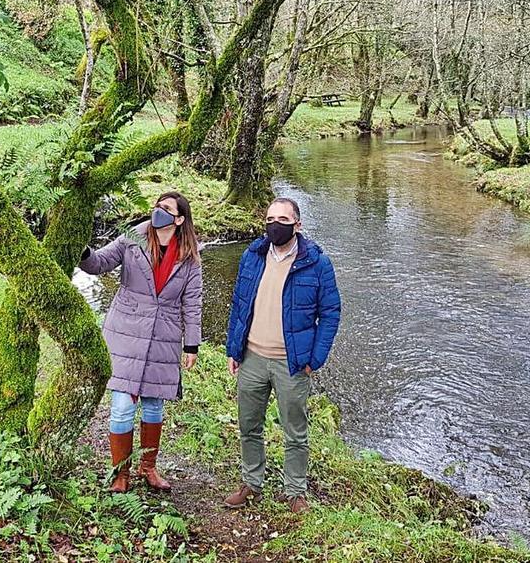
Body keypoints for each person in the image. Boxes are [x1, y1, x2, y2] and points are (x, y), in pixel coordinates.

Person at [223, 197, 341, 514]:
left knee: (295, 432)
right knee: (249, 425)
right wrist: (233, 348)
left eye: (283, 219)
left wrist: (314, 358)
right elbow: (239, 305)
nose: (275, 224)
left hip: (291, 364)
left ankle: (295, 491)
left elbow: (330, 313)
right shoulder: (253, 256)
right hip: (251, 358)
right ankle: (251, 482)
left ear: (297, 225)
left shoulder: (316, 263)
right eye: (270, 218)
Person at [79, 191, 203, 493]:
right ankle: (120, 474)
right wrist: (79, 249)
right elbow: (99, 263)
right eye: (157, 206)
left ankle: (148, 468)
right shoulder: (133, 236)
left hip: (164, 337)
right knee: (121, 407)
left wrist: (192, 345)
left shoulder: (189, 255)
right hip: (126, 332)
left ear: (179, 219)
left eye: (166, 209)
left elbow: (193, 302)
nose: (157, 211)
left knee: (153, 408)